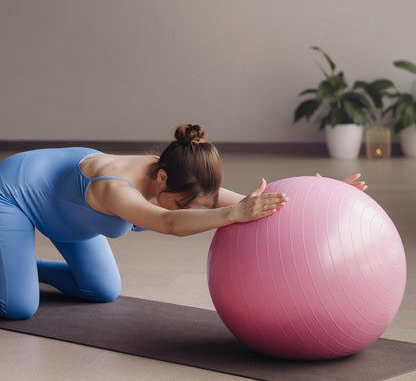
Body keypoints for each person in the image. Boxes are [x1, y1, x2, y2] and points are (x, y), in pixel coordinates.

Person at [0, 124, 366, 320]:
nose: (183, 209)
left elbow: (255, 203)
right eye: (181, 204)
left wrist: (323, 194)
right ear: (161, 179)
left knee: (102, 290)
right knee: (19, 308)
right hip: (14, 194)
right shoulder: (113, 188)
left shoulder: (180, 174)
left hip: (69, 217)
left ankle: (25, 268)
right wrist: (229, 216)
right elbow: (168, 223)